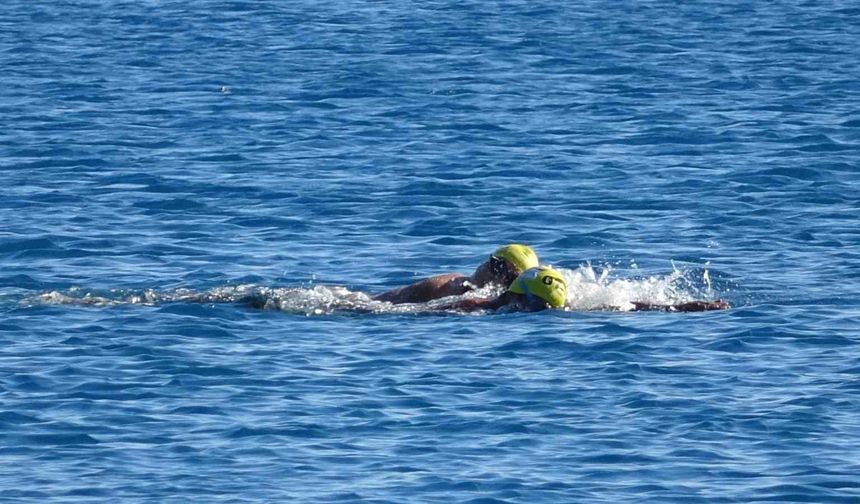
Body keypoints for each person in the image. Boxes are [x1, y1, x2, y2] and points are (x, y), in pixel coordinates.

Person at [437, 266, 731, 314]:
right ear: (516, 295)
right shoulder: (476, 306)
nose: (542, 312)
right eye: (537, 306)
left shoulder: (572, 307)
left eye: (546, 307)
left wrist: (688, 306)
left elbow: (632, 306)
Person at [374, 244, 539, 304]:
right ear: (489, 262)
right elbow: (382, 307)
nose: (498, 276)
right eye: (497, 266)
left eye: (509, 276)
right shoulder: (445, 286)